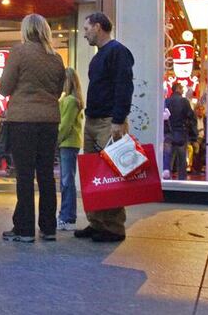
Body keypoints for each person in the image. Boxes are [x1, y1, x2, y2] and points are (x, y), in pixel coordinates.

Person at [0, 14, 65, 243]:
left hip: (23, 121)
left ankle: (25, 229)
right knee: (46, 174)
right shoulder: (56, 58)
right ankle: (48, 228)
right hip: (49, 121)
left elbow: (4, 88)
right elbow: (58, 90)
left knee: (25, 175)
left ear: (26, 30)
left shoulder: (18, 52)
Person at [74, 12, 134, 243]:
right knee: (93, 175)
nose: (84, 32)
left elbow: (124, 86)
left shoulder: (118, 52)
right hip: (93, 121)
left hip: (109, 122)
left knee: (110, 175)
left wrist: (118, 119)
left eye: (87, 28)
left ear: (98, 27)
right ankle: (97, 222)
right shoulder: (99, 56)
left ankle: (113, 227)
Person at [57, 67, 84, 232]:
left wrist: (55, 141)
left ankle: (67, 216)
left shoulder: (69, 101)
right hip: (72, 143)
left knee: (66, 182)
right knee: (67, 180)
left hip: (67, 144)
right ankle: (66, 215)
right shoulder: (75, 100)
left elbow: (64, 125)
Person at [164, 82, 196, 181]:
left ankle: (167, 180)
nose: (183, 90)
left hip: (168, 133)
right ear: (178, 89)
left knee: (168, 159)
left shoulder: (166, 101)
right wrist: (193, 135)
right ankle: (182, 181)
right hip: (181, 133)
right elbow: (191, 117)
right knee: (182, 160)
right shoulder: (184, 101)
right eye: (182, 88)